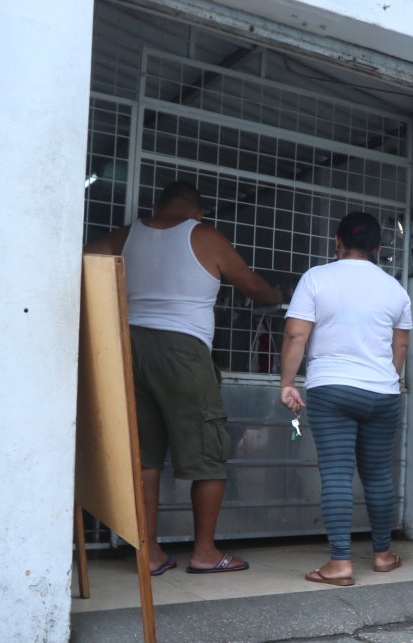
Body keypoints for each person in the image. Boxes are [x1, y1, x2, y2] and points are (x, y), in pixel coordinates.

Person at [85, 181, 282, 576]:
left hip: (131, 348)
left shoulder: (129, 234)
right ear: (199, 213)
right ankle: (205, 552)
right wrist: (277, 295)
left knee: (145, 457)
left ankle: (150, 552)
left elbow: (87, 257)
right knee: (208, 453)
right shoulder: (204, 235)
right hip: (183, 350)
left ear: (156, 207)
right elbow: (252, 286)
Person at [278, 212, 412, 587]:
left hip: (332, 389)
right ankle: (383, 555)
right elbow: (399, 343)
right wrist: (391, 379)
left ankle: (340, 563)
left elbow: (295, 335)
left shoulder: (317, 279)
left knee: (336, 473)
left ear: (337, 243)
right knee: (378, 475)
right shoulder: (395, 289)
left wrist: (287, 382)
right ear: (378, 249)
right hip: (383, 392)